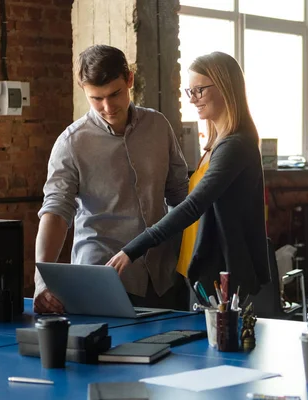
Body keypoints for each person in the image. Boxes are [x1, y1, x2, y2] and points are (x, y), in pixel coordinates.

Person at [34, 44, 190, 313]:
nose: (107, 107)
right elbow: (56, 213)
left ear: (129, 79)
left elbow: (181, 197)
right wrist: (40, 282)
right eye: (96, 98)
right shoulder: (71, 143)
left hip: (163, 277)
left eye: (115, 94)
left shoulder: (158, 126)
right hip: (101, 281)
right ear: (84, 90)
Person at [107, 51, 270, 300]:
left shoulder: (236, 146)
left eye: (199, 90)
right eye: (190, 91)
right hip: (196, 273)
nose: (193, 99)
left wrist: (132, 250)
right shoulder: (216, 145)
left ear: (225, 87)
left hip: (222, 280)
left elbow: (193, 206)